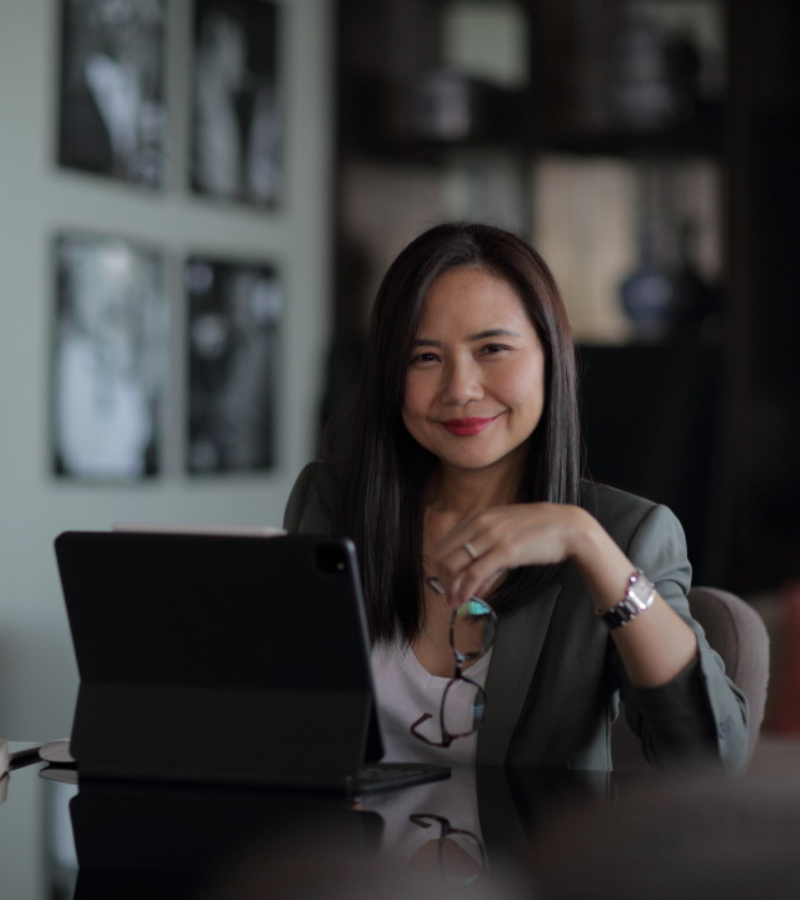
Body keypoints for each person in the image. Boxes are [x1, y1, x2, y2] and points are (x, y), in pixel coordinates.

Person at [284, 221, 748, 774]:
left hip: (524, 861)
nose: (460, 388)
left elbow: (709, 762)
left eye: (493, 349)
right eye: (424, 357)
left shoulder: (626, 534)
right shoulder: (330, 499)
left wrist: (590, 548)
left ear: (553, 357)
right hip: (341, 856)